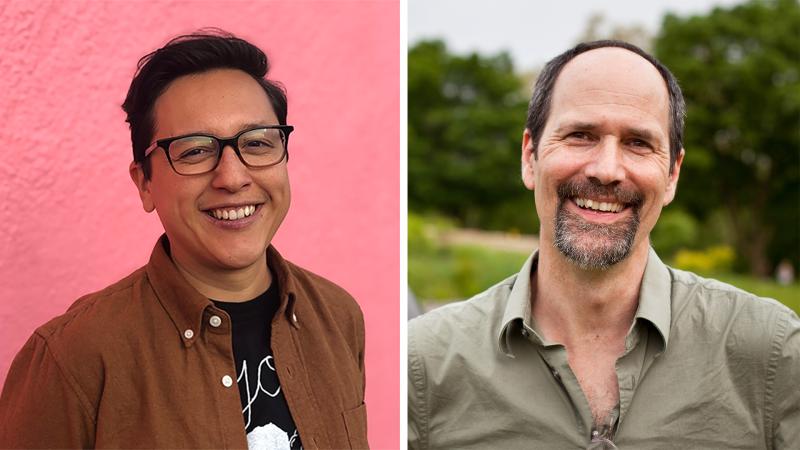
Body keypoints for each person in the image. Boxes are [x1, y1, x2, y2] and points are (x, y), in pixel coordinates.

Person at [408, 40, 799, 449]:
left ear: (672, 176)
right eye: (580, 135)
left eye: (638, 143)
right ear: (530, 157)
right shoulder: (425, 364)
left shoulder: (771, 354)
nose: (607, 170)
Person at [0, 31, 368, 449]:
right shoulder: (72, 356)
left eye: (258, 143)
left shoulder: (339, 318)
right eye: (194, 151)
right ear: (145, 185)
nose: (232, 177)